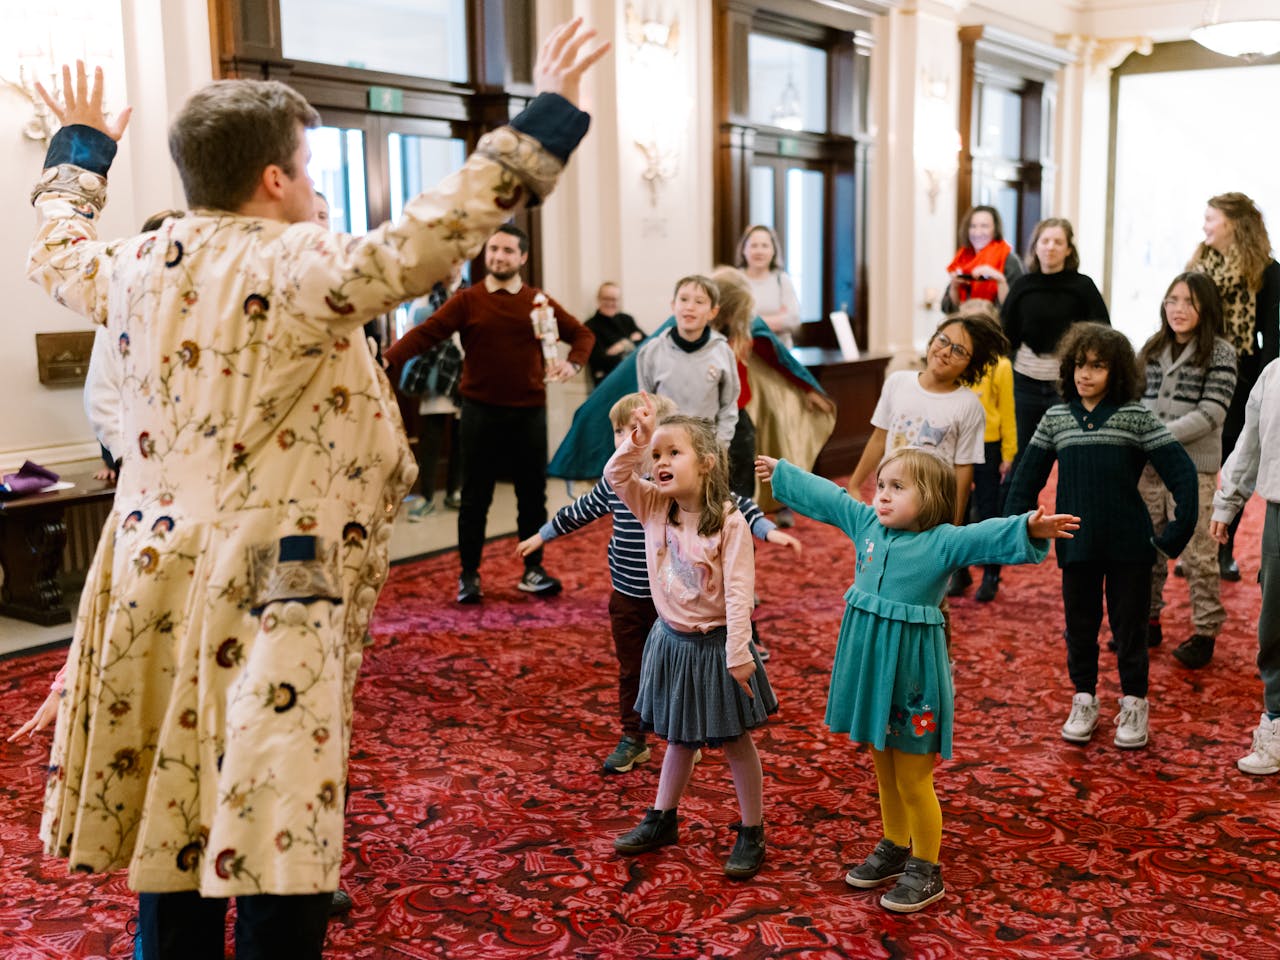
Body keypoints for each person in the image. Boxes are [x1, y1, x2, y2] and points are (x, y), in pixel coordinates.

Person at [22, 23, 607, 960]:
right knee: (274, 821)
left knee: (174, 800)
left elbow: (54, 245)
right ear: (275, 179)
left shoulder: (133, 264)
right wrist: (544, 117)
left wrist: (80, 150)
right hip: (268, 588)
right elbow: (432, 236)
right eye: (306, 161)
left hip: (147, 570)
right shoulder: (293, 264)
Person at [757, 448, 1076, 913]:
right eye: (881, 485)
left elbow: (983, 534)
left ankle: (927, 868)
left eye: (897, 488)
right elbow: (830, 498)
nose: (882, 496)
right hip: (872, 672)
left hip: (913, 679)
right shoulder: (867, 525)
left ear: (930, 499)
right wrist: (784, 473)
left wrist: (1028, 526)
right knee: (882, 764)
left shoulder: (942, 543)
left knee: (912, 777)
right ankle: (894, 843)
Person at [515, 391, 799, 774]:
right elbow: (581, 509)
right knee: (634, 670)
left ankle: (684, 734)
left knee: (676, 673)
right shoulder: (630, 490)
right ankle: (634, 738)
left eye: (638, 430)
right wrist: (543, 535)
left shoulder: (679, 493)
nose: (628, 437)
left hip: (677, 607)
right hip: (630, 596)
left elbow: (739, 506)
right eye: (621, 431)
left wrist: (766, 531)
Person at [605, 395, 777, 879]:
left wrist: (739, 652)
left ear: (705, 462)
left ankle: (752, 830)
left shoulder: (729, 522)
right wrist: (637, 443)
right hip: (672, 643)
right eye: (656, 457)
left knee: (735, 741)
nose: (660, 463)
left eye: (671, 453)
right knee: (678, 738)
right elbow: (615, 478)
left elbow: (741, 593)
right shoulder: (654, 506)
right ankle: (663, 817)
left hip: (717, 647)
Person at [1006, 324, 1197, 752]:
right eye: (1079, 364)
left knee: (1129, 628)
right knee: (1080, 625)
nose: (1085, 374)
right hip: (1076, 542)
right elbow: (1026, 480)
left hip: (1130, 545)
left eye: (1097, 366)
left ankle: (1134, 701)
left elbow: (1182, 473)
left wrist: (1175, 534)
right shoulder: (1056, 419)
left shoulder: (1135, 416)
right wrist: (1012, 532)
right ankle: (1085, 698)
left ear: (1118, 372)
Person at [383, 223, 595, 604]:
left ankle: (533, 570)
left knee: (531, 498)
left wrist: (574, 365)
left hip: (529, 413)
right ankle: (469, 575)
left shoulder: (538, 302)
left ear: (523, 258)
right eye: (494, 249)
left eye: (508, 251)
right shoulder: (468, 300)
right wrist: (388, 358)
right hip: (479, 413)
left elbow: (582, 335)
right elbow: (426, 333)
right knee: (475, 499)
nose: (498, 256)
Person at [1137, 273, 1236, 668]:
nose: (1178, 309)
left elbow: (1212, 413)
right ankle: (1149, 618)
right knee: (1146, 549)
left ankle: (1204, 630)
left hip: (1193, 469)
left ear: (1205, 308)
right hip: (1148, 468)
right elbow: (1134, 396)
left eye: (1189, 302)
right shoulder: (1151, 346)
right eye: (1172, 300)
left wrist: (1155, 435)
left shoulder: (1221, 352)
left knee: (1198, 554)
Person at [1188, 192, 1280, 581]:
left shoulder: (1269, 271)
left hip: (1243, 378)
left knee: (1234, 460)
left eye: (1211, 218)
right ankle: (1194, 542)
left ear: (1235, 224)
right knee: (1195, 461)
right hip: (1198, 371)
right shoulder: (1199, 264)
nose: (1205, 225)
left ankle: (1222, 545)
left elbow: (1273, 337)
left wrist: (1266, 382)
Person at [845, 312, 1007, 529]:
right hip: (891, 496)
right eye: (943, 340)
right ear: (932, 341)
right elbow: (878, 438)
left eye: (959, 350)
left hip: (933, 506)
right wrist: (854, 484)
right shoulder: (897, 382)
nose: (946, 352)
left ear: (971, 365)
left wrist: (954, 525)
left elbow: (963, 469)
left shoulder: (969, 405)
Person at [1211, 357, 1280, 775]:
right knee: (1275, 623)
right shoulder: (1273, 374)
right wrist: (1228, 501)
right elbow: (1249, 443)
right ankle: (1276, 719)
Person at [1001, 217, 1110, 466]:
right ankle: (1019, 506)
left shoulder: (1083, 286)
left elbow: (1102, 333)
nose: (1050, 247)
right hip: (1024, 382)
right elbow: (1006, 335)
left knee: (1070, 455)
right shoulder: (1023, 285)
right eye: (1045, 241)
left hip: (1066, 385)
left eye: (1058, 242)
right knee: (1024, 457)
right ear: (1036, 246)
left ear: (1068, 249)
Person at [954, 299, 1017, 602]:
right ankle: (958, 570)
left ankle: (992, 572)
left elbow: (1007, 412)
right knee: (957, 509)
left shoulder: (1001, 366)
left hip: (989, 447)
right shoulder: (955, 361)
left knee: (989, 509)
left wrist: (1009, 452)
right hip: (956, 446)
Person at [634, 275, 738, 446]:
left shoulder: (723, 352)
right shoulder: (651, 351)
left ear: (713, 312)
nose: (690, 307)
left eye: (699, 302)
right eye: (683, 299)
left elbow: (728, 407)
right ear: (673, 305)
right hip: (663, 446)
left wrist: (719, 447)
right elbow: (645, 406)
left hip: (705, 447)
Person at [403, 265, 466, 520]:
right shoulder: (424, 297)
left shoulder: (469, 294)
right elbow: (412, 333)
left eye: (457, 263)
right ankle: (426, 496)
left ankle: (455, 492)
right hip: (434, 377)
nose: (451, 269)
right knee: (432, 437)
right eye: (446, 263)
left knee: (462, 437)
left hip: (465, 373)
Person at [707, 267, 758, 499]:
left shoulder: (739, 334)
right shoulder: (706, 340)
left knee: (739, 484)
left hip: (738, 417)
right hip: (711, 419)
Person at [940, 205, 1023, 312]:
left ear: (995, 230)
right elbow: (947, 309)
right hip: (964, 324)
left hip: (995, 327)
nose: (977, 232)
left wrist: (999, 279)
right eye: (973, 226)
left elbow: (1016, 308)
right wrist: (954, 287)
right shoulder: (962, 259)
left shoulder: (1009, 261)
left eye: (984, 226)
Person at [736, 225, 801, 348]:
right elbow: (733, 322)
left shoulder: (782, 279)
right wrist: (778, 319)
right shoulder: (736, 280)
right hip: (745, 353)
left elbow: (793, 320)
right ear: (744, 250)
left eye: (765, 246)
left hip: (779, 355)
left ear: (773, 251)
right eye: (754, 246)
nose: (759, 251)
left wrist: (751, 322)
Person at [584, 282, 643, 386]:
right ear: (598, 299)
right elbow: (598, 360)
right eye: (606, 298)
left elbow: (646, 343)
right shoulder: (589, 327)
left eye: (615, 299)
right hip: (607, 383)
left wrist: (622, 345)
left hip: (634, 379)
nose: (611, 303)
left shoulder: (627, 319)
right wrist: (631, 343)